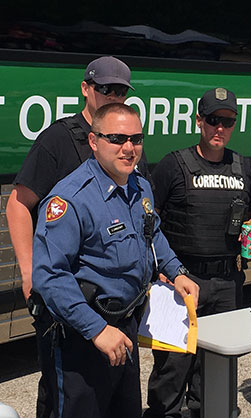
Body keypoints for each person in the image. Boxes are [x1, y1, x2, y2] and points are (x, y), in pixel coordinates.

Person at [31, 103, 199, 418]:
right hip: (81, 336)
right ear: (94, 141)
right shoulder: (70, 199)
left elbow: (153, 234)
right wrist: (97, 330)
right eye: (117, 139)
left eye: (136, 139)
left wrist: (177, 271)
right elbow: (50, 277)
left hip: (124, 328)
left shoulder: (139, 186)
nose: (128, 148)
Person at [5, 55, 145, 418]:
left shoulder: (126, 143)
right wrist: (30, 273)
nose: (113, 96)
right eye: (105, 89)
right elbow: (19, 205)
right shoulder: (57, 140)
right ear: (86, 89)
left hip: (113, 308)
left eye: (120, 91)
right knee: (62, 394)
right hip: (68, 301)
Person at [144, 88, 251, 418]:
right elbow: (149, 218)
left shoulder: (242, 166)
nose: (220, 129)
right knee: (172, 369)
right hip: (181, 280)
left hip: (227, 280)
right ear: (199, 121)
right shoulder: (174, 164)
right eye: (213, 121)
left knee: (216, 369)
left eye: (227, 122)